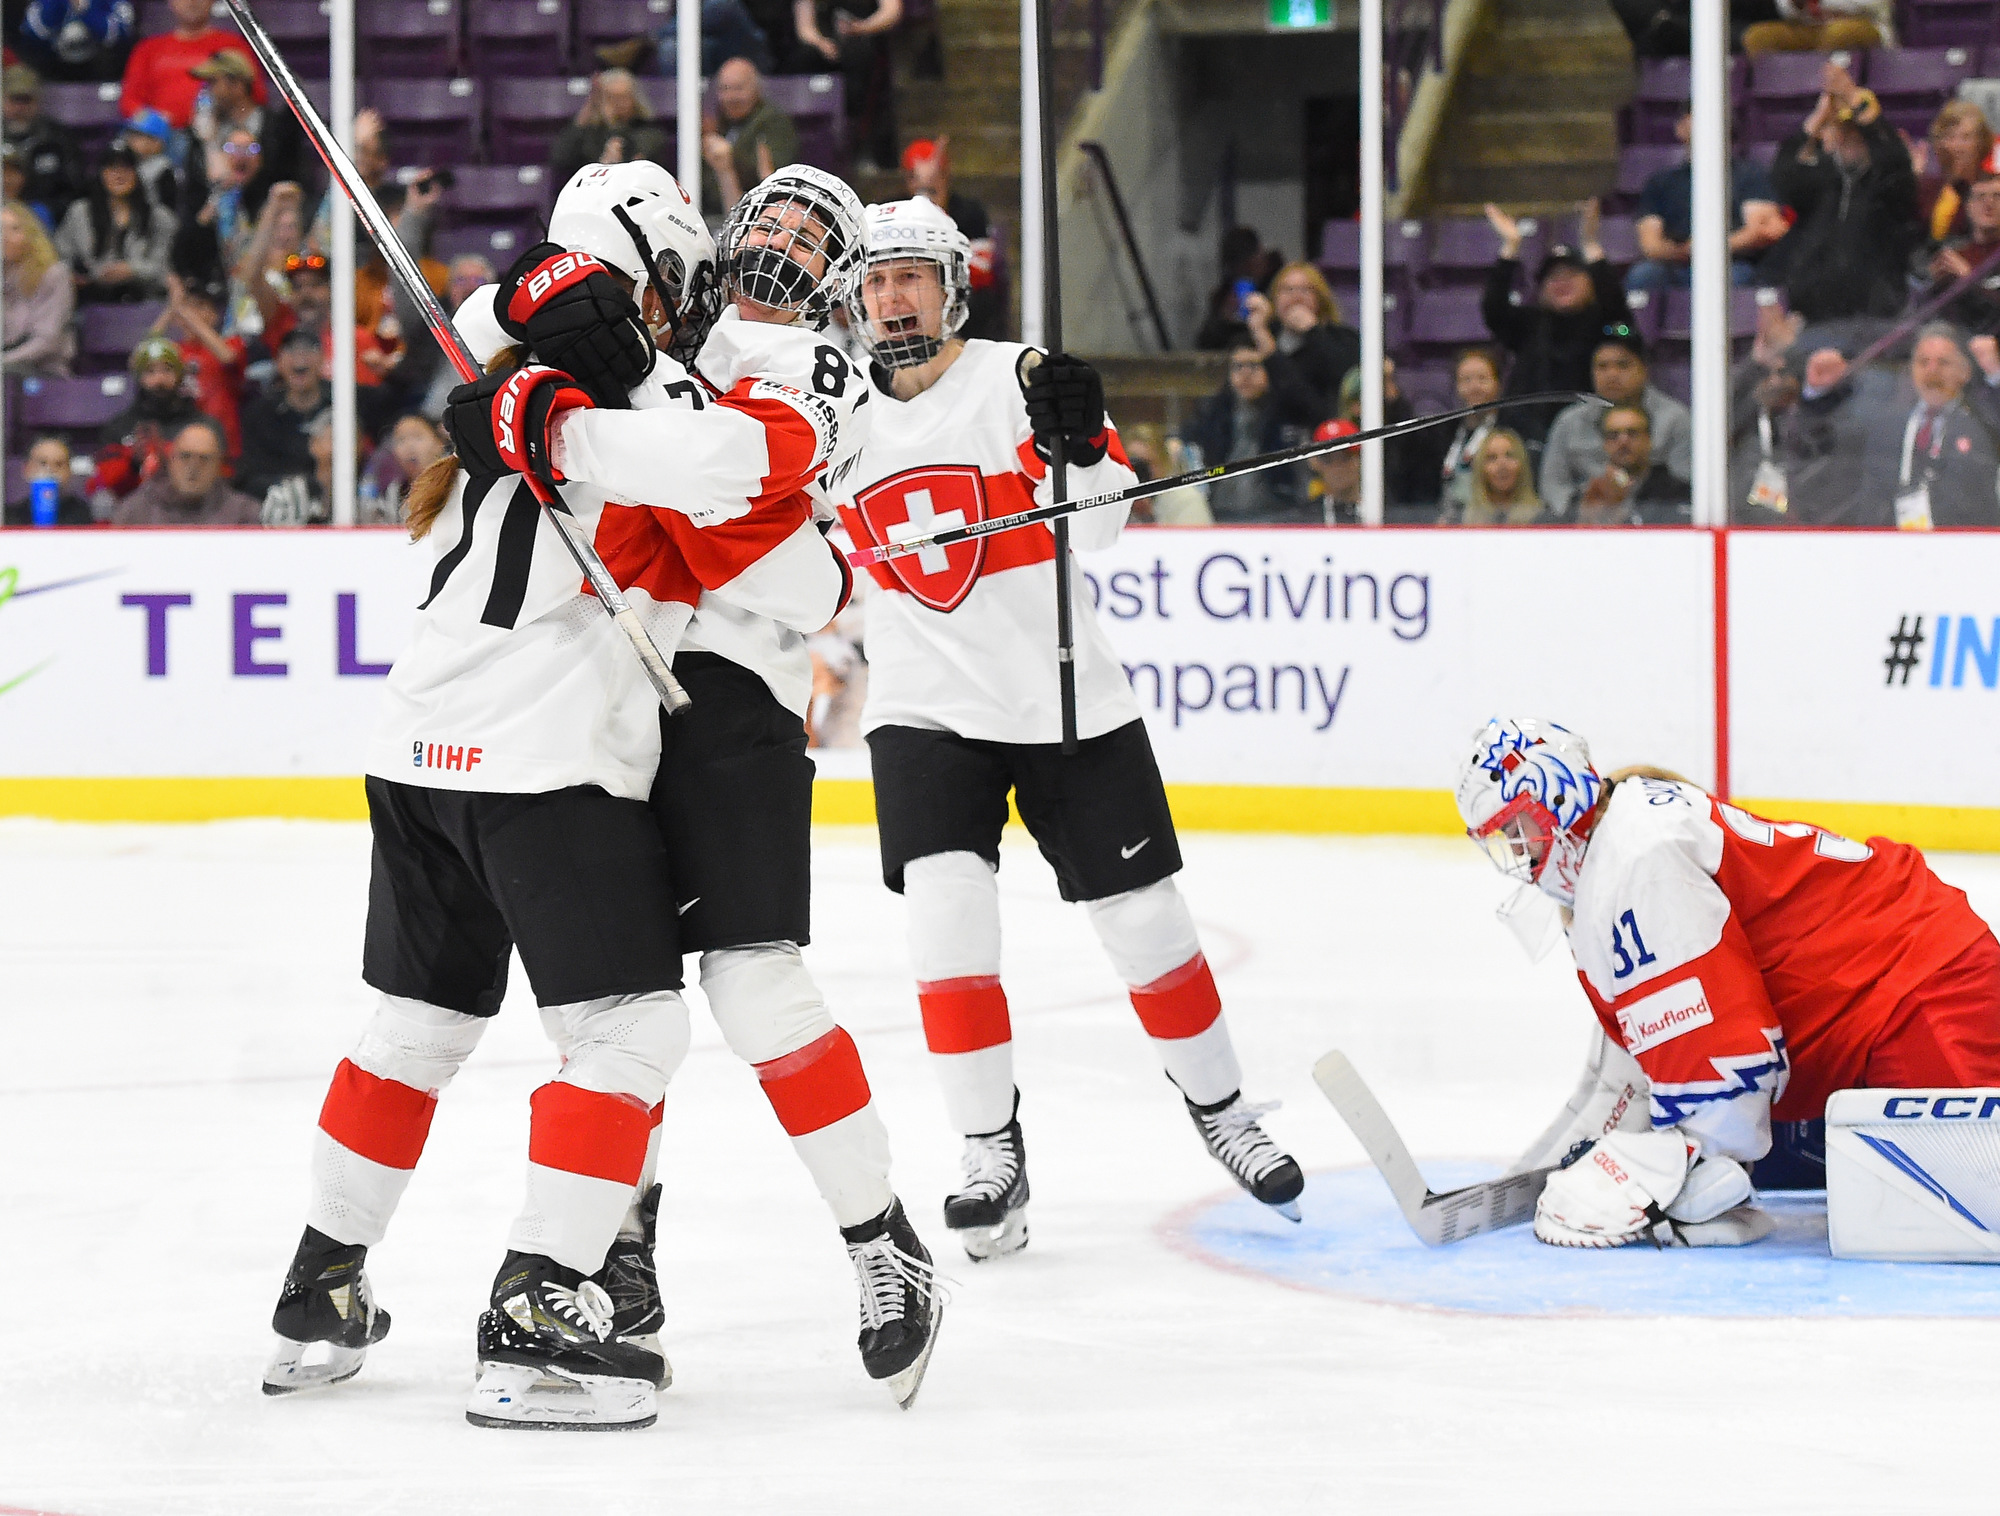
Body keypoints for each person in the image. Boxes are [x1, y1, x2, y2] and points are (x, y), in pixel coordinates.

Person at [438, 161, 943, 1406]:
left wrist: (566, 425)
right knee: (618, 1007)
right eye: (768, 212)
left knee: (755, 984)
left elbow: (741, 528)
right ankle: (620, 1253)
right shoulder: (674, 319)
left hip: (733, 701)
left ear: (837, 277)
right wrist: (532, 314)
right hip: (613, 687)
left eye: (812, 231)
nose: (782, 237)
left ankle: (885, 1243)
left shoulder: (827, 375)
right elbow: (473, 331)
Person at [833, 195, 1305, 1261]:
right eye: (873, 277)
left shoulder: (1016, 375)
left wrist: (1081, 439)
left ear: (953, 285)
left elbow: (1098, 526)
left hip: (1064, 700)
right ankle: (987, 1150)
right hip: (921, 709)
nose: (889, 295)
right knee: (946, 921)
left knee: (1143, 919)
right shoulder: (836, 415)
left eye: (909, 274)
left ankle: (1221, 1109)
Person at [1453, 717, 1999, 1250]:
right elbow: (1632, 1079)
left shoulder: (1639, 856)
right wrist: (1529, 1180)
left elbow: (1726, 1062)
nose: (1516, 849)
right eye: (1501, 837)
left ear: (1557, 796)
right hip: (1876, 1008)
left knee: (1979, 1203)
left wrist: (1679, 1173)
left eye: (1517, 825)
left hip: (1924, 988)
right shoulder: (1611, 862)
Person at [1767, 62, 1919, 325]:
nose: (1849, 139)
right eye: (1843, 130)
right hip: (1814, 316)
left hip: (1871, 319)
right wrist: (1817, 119)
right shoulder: (1825, 183)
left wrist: (1851, 96)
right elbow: (1783, 175)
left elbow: (1894, 162)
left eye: (1858, 132)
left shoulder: (1890, 186)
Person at [1481, 199, 1629, 441]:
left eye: (1571, 274)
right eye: (1553, 277)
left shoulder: (1602, 324)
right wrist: (1511, 246)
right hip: (1524, 436)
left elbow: (1617, 310)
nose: (1561, 282)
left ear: (1590, 282)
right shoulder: (1529, 324)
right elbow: (1493, 310)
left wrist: (1591, 244)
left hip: (1583, 439)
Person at [1856, 324, 2000, 529]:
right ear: (1911, 371)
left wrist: (1996, 375)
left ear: (1965, 372)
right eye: (1923, 362)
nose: (1932, 371)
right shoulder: (1887, 430)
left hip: (1967, 547)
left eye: (1943, 363)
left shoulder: (1981, 423)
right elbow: (1870, 501)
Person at [1626, 107, 1786, 293]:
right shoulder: (1661, 182)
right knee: (1643, 276)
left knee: (1736, 278)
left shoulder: (1749, 175)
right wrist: (1684, 251)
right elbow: (1650, 244)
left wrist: (1707, 248)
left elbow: (1759, 231)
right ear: (1679, 128)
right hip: (1677, 266)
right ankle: (1626, 324)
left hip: (1732, 263)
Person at [1539, 329, 1691, 517]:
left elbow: (1685, 485)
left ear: (1644, 370)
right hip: (1586, 523)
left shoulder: (1675, 419)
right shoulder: (1569, 422)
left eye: (1622, 365)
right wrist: (1577, 516)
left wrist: (1631, 517)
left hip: (1654, 521)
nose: (1612, 374)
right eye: (1602, 367)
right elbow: (1553, 486)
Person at [1181, 333, 1319, 522]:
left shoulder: (1288, 409)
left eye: (1254, 366)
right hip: (1222, 512)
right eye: (1238, 367)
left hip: (1280, 513)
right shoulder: (1214, 412)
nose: (1245, 374)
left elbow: (1313, 409)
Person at [88, 333, 205, 501]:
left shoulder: (201, 427)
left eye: (167, 369)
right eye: (150, 371)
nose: (159, 379)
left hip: (190, 514)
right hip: (133, 516)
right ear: (138, 377)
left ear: (179, 376)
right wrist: (133, 464)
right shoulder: (117, 428)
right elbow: (102, 487)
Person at [901, 137, 998, 338]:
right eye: (915, 178)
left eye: (934, 178)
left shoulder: (970, 213)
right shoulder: (895, 214)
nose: (926, 186)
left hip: (963, 310)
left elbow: (980, 271)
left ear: (946, 176)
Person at [55, 140, 174, 303]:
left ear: (137, 173)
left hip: (146, 301)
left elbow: (166, 267)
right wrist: (74, 276)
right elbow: (60, 256)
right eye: (111, 168)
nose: (119, 174)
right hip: (92, 300)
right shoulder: (80, 212)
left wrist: (133, 270)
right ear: (101, 173)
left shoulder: (160, 216)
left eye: (126, 167)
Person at [119, 0, 263, 131]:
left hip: (221, 132)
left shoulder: (233, 45)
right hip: (161, 139)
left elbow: (256, 95)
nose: (192, 2)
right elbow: (129, 102)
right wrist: (155, 122)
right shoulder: (147, 49)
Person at [1243, 261, 1360, 420]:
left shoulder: (1342, 339)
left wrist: (1313, 331)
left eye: (1305, 290)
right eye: (1287, 290)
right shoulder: (1261, 336)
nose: (1296, 298)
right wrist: (1260, 332)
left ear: (1320, 299)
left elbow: (1343, 379)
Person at [792, 0, 899, 170]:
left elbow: (891, 12)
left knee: (860, 59)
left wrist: (862, 28)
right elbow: (805, 28)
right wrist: (821, 44)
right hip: (824, 43)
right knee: (804, 58)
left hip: (865, 37)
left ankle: (861, 145)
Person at [153, 272, 247, 458]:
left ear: (214, 315)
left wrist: (183, 310)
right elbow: (143, 355)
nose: (191, 312)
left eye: (200, 306)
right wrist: (171, 310)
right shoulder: (173, 350)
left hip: (222, 445)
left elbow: (228, 358)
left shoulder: (232, 343)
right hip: (179, 442)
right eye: (188, 305)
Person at [1410, 346, 1503, 519]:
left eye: (1482, 379)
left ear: (1497, 383)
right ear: (1457, 387)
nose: (1474, 387)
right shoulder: (1444, 433)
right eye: (1466, 380)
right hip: (1447, 523)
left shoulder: (1508, 430)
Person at [110, 416, 259, 524]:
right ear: (171, 461)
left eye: (204, 458)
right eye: (185, 456)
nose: (193, 466)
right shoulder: (135, 512)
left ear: (218, 466)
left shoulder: (244, 514)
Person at [236, 329, 329, 500]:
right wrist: (299, 488)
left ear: (323, 358)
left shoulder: (343, 401)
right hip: (277, 507)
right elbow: (248, 478)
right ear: (278, 362)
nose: (300, 357)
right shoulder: (259, 413)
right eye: (290, 350)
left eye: (309, 349)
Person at [699, 57, 799, 217]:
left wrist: (729, 159)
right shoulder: (715, 123)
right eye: (724, 89)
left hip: (757, 214)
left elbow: (772, 178)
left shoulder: (773, 122)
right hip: (711, 213)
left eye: (738, 89)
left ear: (757, 89)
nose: (730, 97)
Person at [1572, 402, 1691, 525]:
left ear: (1649, 440)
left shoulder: (1678, 493)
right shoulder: (1590, 494)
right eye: (1613, 435)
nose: (1623, 441)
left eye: (1632, 433)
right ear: (1604, 444)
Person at [549, 69, 669, 189]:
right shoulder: (587, 134)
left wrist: (615, 127)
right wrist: (586, 114)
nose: (618, 104)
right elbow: (560, 160)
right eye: (611, 98)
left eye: (623, 97)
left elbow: (638, 160)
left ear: (635, 99)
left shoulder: (649, 133)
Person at [1919, 168, 2000, 334]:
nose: (1988, 203)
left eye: (1997, 196)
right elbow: (1922, 315)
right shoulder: (1952, 254)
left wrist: (1968, 279)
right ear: (1968, 207)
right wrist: (1933, 286)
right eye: (1980, 197)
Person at [2, 199, 76, 377]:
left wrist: (4, 360)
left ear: (31, 233)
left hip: (43, 370)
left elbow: (47, 341)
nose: (5, 237)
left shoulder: (55, 274)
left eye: (14, 229)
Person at [2, 64, 84, 225]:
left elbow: (75, 190)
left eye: (26, 100)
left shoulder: (59, 139)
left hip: (48, 224)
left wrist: (48, 211)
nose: (20, 108)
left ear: (38, 101)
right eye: (14, 99)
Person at [1913, 100, 1998, 254]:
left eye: (1966, 137)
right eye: (1950, 137)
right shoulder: (1930, 186)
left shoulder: (1992, 188)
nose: (1957, 146)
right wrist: (1912, 181)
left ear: (1981, 142)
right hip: (1926, 269)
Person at [1195, 225, 1283, 351]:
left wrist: (1267, 316)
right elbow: (1204, 345)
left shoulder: (1280, 285)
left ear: (1260, 254)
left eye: (1249, 264)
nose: (1245, 271)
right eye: (1238, 266)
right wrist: (1224, 320)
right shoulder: (1225, 294)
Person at [18, 0, 137, 84]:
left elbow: (119, 34)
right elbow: (35, 31)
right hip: (53, 66)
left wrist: (84, 10)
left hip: (101, 68)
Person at [259, 409, 336, 526]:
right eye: (332, 439)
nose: (342, 446)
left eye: (352, 439)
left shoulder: (368, 492)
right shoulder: (285, 495)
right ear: (313, 444)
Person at [1458, 427, 1542, 525]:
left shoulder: (1543, 520)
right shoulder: (1461, 522)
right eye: (1492, 458)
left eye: (1510, 455)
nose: (1502, 465)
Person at [5, 435, 94, 526]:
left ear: (69, 472)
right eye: (43, 463)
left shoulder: (82, 515)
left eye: (59, 464)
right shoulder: (12, 516)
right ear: (27, 469)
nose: (50, 470)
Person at [1740, 0, 1890, 53]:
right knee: (1758, 37)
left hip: (1865, 25)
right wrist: (1795, 4)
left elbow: (1875, 3)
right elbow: (1786, 10)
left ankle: (1826, 96)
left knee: (1838, 34)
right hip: (1810, 28)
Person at [119, 107, 177, 209]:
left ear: (157, 143)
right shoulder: (126, 162)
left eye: (138, 135)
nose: (131, 139)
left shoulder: (163, 169)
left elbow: (169, 208)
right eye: (131, 134)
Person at [1306, 417, 1362, 523]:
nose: (1337, 467)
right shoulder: (1302, 522)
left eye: (1345, 457)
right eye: (1328, 459)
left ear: (1359, 460)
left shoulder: (1385, 513)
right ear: (1316, 463)